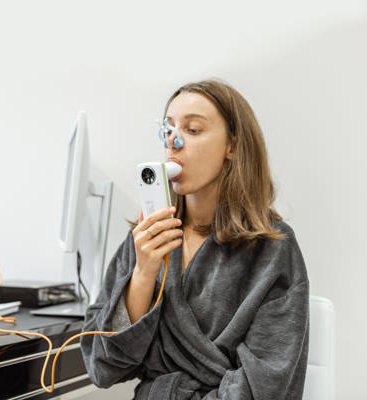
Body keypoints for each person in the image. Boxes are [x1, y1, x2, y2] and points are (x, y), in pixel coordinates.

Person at [81, 80, 309, 399]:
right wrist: (143, 275)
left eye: (193, 129)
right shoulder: (149, 237)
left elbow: (266, 383)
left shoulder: (272, 246)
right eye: (168, 128)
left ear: (232, 146)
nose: (174, 142)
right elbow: (101, 366)